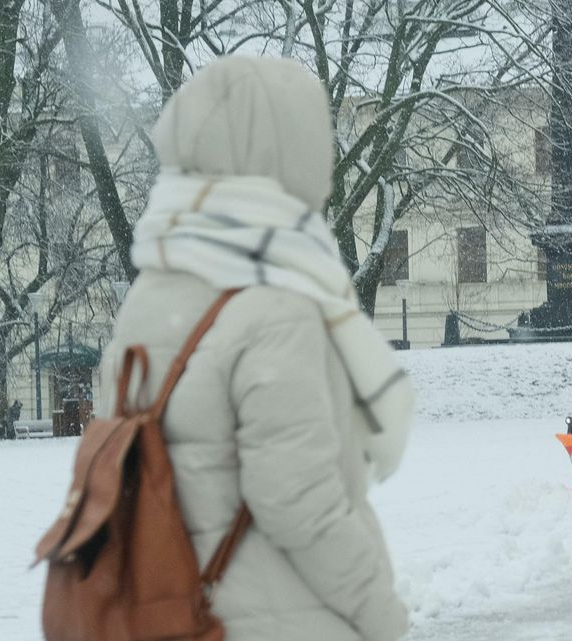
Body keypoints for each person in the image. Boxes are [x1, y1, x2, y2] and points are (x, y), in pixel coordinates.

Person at [99, 57, 413, 641]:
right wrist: (381, 614)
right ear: (283, 150)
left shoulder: (150, 289)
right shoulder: (279, 301)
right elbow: (298, 503)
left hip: (167, 609)